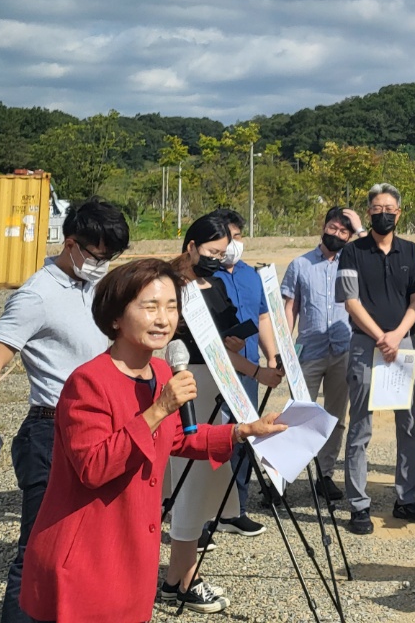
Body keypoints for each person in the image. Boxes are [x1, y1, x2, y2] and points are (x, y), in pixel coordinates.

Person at [18, 257, 284, 623]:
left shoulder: (161, 371)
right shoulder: (89, 382)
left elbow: (177, 437)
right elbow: (93, 467)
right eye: (150, 306)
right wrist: (160, 408)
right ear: (115, 317)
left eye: (172, 307)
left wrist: (243, 431)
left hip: (134, 549)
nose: (164, 319)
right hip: (89, 554)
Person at [0, 197, 130, 623]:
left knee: (87, 548)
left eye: (111, 257)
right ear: (71, 244)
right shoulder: (36, 295)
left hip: (102, 432)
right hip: (52, 432)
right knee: (39, 554)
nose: (102, 264)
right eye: (97, 255)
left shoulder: (96, 286)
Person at [161, 215, 283, 612]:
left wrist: (251, 358)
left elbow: (226, 341)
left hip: (219, 386)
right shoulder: (168, 286)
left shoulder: (212, 285)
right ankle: (183, 579)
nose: (218, 258)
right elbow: (193, 345)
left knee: (207, 484)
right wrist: (254, 370)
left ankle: (177, 578)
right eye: (212, 252)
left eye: (223, 251)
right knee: (189, 485)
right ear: (191, 246)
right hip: (186, 388)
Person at [334, 184, 415, 534]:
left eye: (390, 207)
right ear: (369, 211)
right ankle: (359, 505)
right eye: (377, 208)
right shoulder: (352, 252)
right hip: (365, 344)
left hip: (403, 345)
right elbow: (351, 301)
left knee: (408, 424)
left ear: (399, 212)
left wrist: (396, 336)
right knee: (361, 426)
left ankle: (406, 498)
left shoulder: (413, 251)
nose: (383, 213)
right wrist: (379, 336)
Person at [203, 208, 279, 534]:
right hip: (213, 375)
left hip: (248, 375)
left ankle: (237, 509)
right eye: (227, 238)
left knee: (247, 438)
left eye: (238, 236)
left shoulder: (252, 275)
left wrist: (272, 355)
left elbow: (262, 317)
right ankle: (204, 514)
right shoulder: (207, 279)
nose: (234, 244)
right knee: (212, 438)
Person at [281, 206, 362, 503]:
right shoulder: (299, 265)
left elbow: (375, 253)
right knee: (297, 416)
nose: (337, 234)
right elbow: (290, 308)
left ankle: (324, 475)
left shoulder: (354, 262)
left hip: (343, 350)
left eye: (344, 231)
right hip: (310, 352)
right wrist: (283, 348)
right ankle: (283, 479)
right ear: (323, 227)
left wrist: (360, 227)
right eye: (333, 228)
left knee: (336, 417)